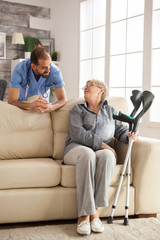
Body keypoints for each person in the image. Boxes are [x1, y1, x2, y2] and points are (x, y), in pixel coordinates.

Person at [63, 79, 138, 235]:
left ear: (101, 90)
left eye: (90, 85)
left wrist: (129, 135)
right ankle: (84, 216)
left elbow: (120, 131)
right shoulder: (77, 110)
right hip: (76, 149)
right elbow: (77, 134)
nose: (85, 87)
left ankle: (95, 213)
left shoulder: (111, 111)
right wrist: (104, 145)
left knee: (108, 156)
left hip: (100, 152)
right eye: (84, 85)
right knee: (88, 154)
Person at [8, 47, 67, 113]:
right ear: (33, 66)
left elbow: (63, 99)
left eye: (49, 65)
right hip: (22, 107)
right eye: (44, 67)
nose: (48, 70)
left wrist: (51, 107)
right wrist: (29, 106)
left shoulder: (55, 71)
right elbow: (11, 101)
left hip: (43, 110)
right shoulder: (20, 69)